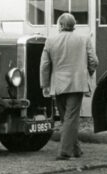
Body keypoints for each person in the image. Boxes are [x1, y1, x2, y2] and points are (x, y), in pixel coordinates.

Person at [40, 13, 98, 161]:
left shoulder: (50, 40)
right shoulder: (84, 39)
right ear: (74, 25)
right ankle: (68, 150)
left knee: (67, 118)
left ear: (60, 25)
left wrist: (45, 84)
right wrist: (88, 72)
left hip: (58, 84)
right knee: (71, 118)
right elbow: (94, 61)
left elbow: (45, 66)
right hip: (77, 83)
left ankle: (71, 150)